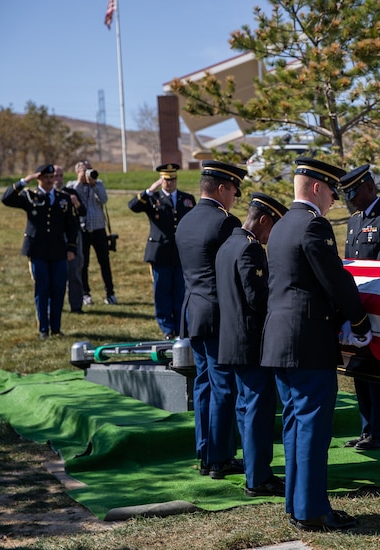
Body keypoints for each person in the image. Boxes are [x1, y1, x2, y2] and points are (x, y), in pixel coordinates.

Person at [261, 157, 372, 532]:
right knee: (311, 425)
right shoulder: (313, 225)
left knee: (295, 422)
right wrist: (359, 319)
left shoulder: (278, 227)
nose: (332, 201)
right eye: (331, 192)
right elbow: (335, 280)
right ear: (315, 188)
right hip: (307, 341)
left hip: (280, 341)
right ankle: (311, 511)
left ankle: (297, 504)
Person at [216, 192, 289, 498]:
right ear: (263, 221)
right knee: (258, 410)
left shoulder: (227, 245)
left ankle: (253, 470)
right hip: (251, 342)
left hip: (231, 340)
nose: (272, 236)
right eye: (273, 228)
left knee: (246, 408)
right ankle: (258, 478)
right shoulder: (250, 249)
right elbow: (257, 299)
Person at [175, 160, 245, 478]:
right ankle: (219, 458)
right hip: (218, 313)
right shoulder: (225, 223)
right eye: (233, 191)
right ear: (221, 189)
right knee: (222, 386)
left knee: (204, 383)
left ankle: (205, 452)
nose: (234, 198)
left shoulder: (186, 220)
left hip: (193, 310)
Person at [340, 164, 380, 451]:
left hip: (378, 304)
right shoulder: (354, 221)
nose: (351, 199)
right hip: (357, 305)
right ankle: (368, 429)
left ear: (369, 187)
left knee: (379, 370)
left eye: (354, 192)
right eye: (347, 194)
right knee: (360, 369)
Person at [1, 164, 80, 339]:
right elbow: (6, 199)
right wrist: (24, 181)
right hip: (38, 250)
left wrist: (71, 248)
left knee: (58, 288)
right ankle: (43, 328)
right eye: (46, 178)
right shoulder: (30, 196)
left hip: (58, 250)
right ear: (39, 179)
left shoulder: (63, 198)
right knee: (42, 288)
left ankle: (56, 328)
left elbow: (72, 225)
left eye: (52, 177)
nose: (50, 181)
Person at [128, 163, 196, 339]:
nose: (170, 183)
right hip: (160, 252)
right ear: (161, 180)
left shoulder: (186, 199)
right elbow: (133, 206)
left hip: (180, 253)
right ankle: (167, 328)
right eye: (166, 179)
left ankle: (182, 328)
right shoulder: (152, 198)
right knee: (162, 291)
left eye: (173, 179)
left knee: (180, 291)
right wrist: (149, 190)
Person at [67, 160, 117, 306]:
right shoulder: (72, 186)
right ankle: (85, 293)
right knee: (83, 264)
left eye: (90, 169)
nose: (89, 172)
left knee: (104, 262)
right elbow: (71, 198)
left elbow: (104, 199)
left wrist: (93, 184)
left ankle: (110, 293)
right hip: (82, 230)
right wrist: (80, 181)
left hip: (98, 228)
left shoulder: (98, 183)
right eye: (85, 170)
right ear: (77, 172)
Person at [54, 165, 87, 314]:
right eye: (55, 176)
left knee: (74, 271)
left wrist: (76, 203)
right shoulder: (47, 195)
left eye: (61, 176)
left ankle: (76, 305)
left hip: (73, 236)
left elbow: (82, 212)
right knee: (55, 274)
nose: (58, 179)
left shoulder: (70, 193)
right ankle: (56, 306)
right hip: (54, 237)